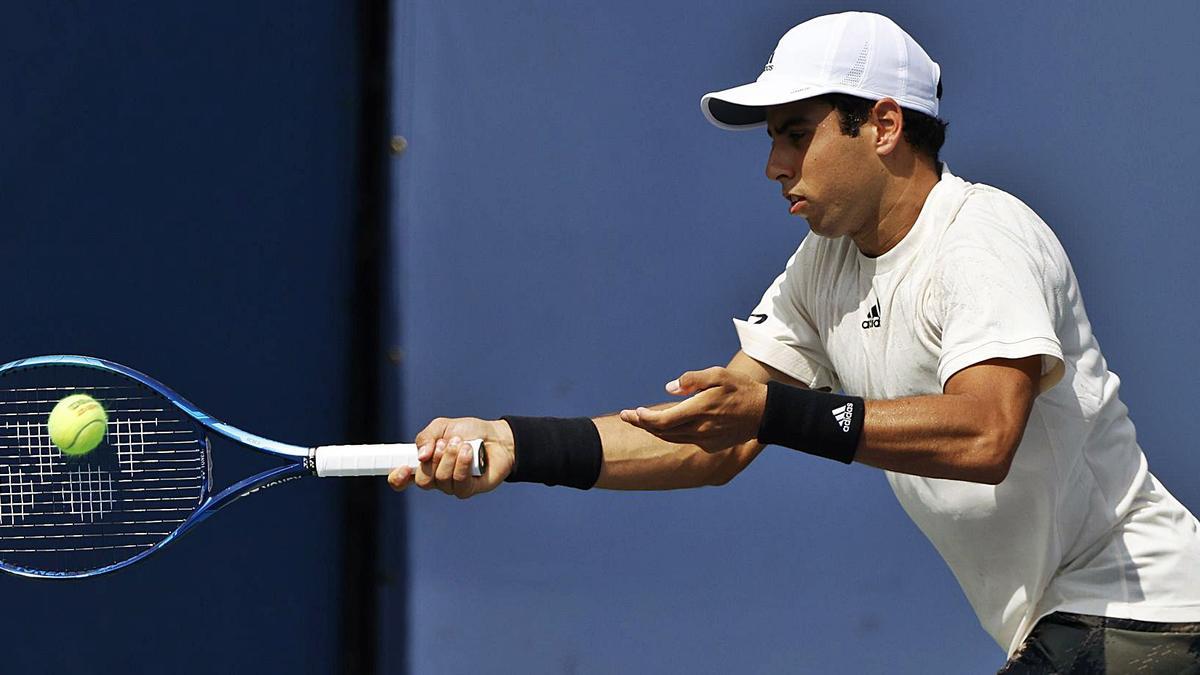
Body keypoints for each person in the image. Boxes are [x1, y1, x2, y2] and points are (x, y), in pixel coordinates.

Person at [388, 11, 1200, 673]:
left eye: (797, 133)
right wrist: (513, 445)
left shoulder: (981, 237)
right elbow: (716, 440)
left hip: (1141, 617)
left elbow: (985, 431)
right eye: (773, 139)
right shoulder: (823, 265)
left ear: (883, 125)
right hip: (1076, 628)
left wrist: (774, 412)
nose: (775, 165)